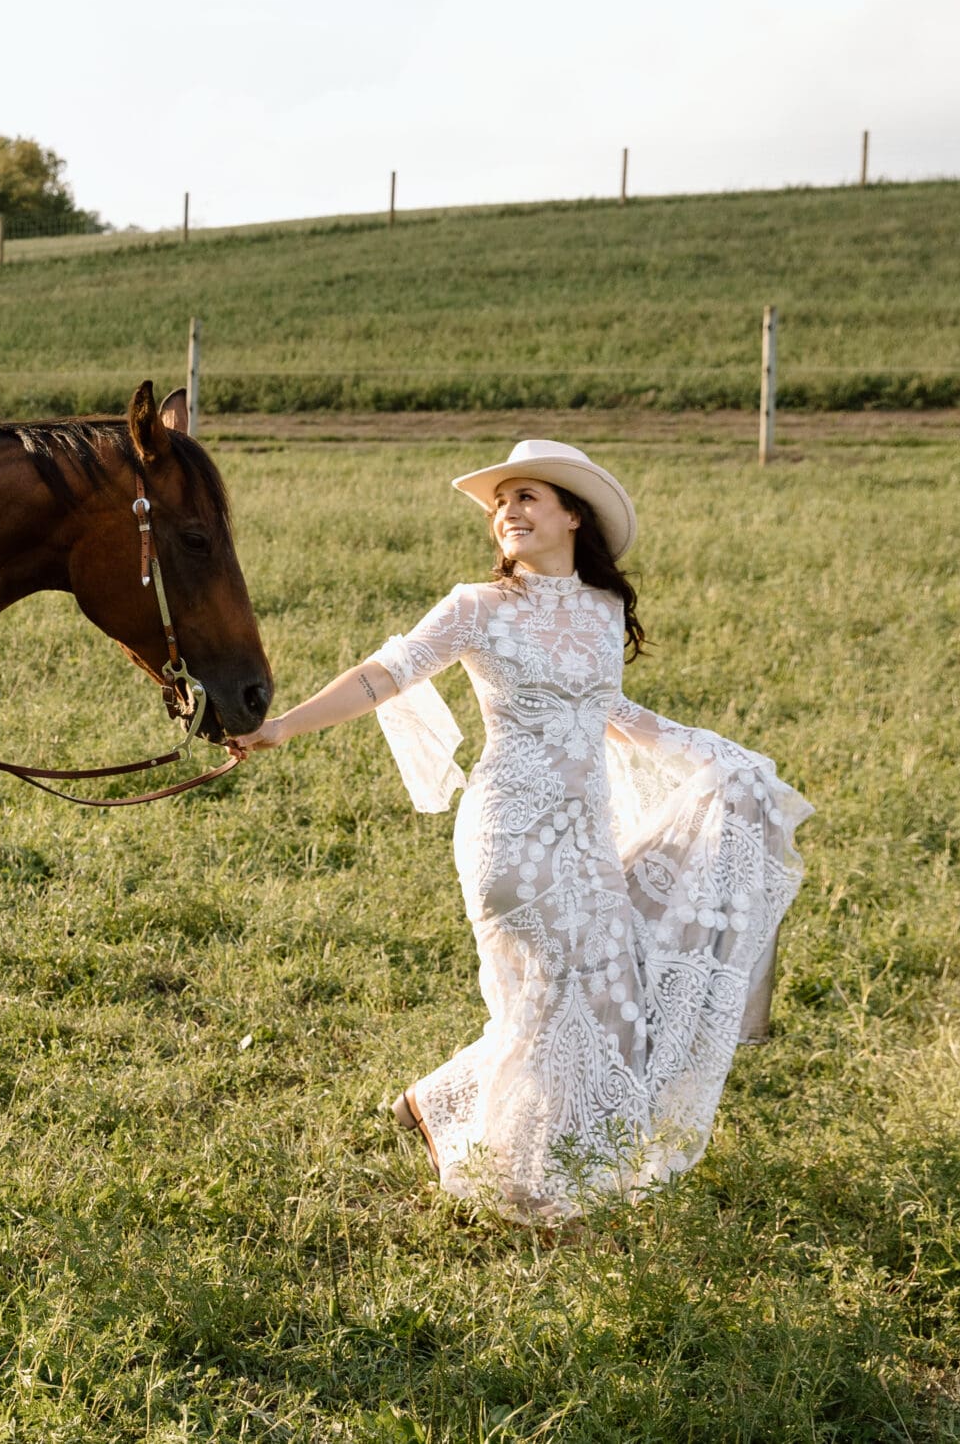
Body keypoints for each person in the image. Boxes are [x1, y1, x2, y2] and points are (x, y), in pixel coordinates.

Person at [229, 441, 810, 1221]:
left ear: (573, 514)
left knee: (610, 1001)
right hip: (511, 835)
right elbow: (384, 673)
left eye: (527, 496)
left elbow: (612, 715)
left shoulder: (604, 613)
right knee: (551, 1001)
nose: (509, 511)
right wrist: (283, 727)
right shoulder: (475, 607)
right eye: (502, 503)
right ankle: (528, 1182)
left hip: (587, 838)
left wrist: (723, 762)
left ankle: (448, 1108)